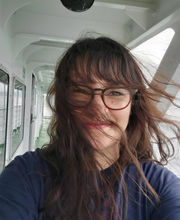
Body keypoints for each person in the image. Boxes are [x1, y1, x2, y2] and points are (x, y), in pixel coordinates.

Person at [0, 36, 180, 220]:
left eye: (115, 92)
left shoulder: (160, 188)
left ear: (133, 105)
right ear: (63, 102)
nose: (97, 107)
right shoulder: (24, 176)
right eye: (81, 90)